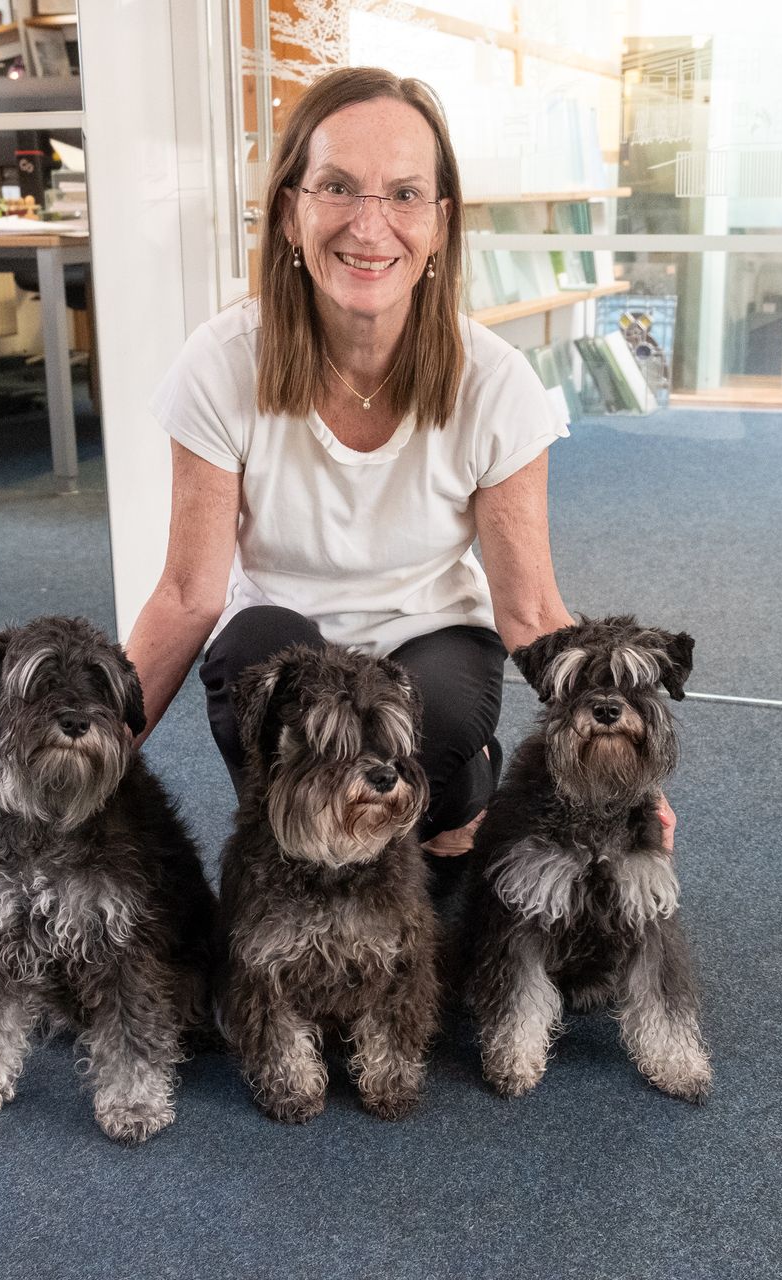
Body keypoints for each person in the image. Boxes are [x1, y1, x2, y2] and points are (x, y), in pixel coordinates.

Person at [127, 66, 675, 864]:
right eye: (338, 187)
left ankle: (452, 792)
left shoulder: (494, 383)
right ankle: (318, 841)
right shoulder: (219, 365)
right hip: (289, 640)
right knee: (255, 672)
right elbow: (185, 595)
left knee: (437, 730)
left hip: (432, 640)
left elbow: (532, 611)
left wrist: (635, 776)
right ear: (289, 211)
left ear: (440, 223)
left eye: (405, 195)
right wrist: (98, 758)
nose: (369, 225)